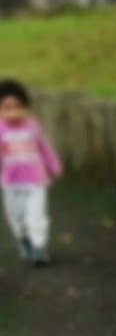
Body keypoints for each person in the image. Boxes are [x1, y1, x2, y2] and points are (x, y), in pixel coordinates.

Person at [0, 79, 62, 266]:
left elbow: (44, 147)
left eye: (17, 107)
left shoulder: (32, 126)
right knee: (16, 217)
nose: (12, 112)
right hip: (11, 182)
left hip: (35, 179)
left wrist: (54, 166)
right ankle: (23, 238)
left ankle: (39, 247)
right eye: (6, 107)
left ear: (26, 107)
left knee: (37, 214)